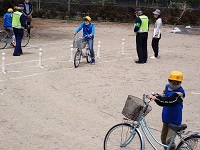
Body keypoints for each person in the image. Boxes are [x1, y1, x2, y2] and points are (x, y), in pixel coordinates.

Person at [148, 70, 185, 150]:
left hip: (174, 120)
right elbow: (164, 96)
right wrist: (155, 95)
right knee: (163, 139)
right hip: (166, 118)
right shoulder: (167, 87)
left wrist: (156, 98)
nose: (175, 84)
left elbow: (169, 101)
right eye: (173, 82)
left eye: (178, 83)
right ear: (169, 81)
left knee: (169, 141)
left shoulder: (180, 93)